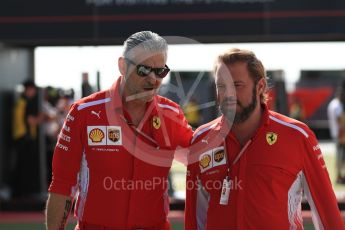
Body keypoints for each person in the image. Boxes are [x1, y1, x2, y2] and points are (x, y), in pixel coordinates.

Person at [46, 31, 193, 230]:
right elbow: (62, 184)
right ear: (123, 66)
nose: (153, 80)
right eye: (143, 70)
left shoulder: (171, 114)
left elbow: (202, 161)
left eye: (160, 72)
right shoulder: (84, 113)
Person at [185, 48, 344, 229]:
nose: (228, 94)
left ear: (260, 86)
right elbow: (195, 219)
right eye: (221, 86)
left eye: (237, 85)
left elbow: (327, 216)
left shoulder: (297, 136)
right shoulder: (201, 139)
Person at [12, 79, 42, 198]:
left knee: (23, 165)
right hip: (24, 138)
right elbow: (30, 121)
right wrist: (40, 118)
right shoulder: (24, 102)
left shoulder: (23, 101)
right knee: (23, 166)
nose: (33, 92)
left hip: (23, 137)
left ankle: (22, 192)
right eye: (32, 89)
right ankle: (21, 193)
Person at [328, 81, 345, 183]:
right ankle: (338, 177)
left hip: (337, 133)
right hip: (340, 135)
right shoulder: (337, 105)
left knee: (340, 156)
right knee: (340, 157)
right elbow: (340, 120)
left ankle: (339, 176)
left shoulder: (332, 104)